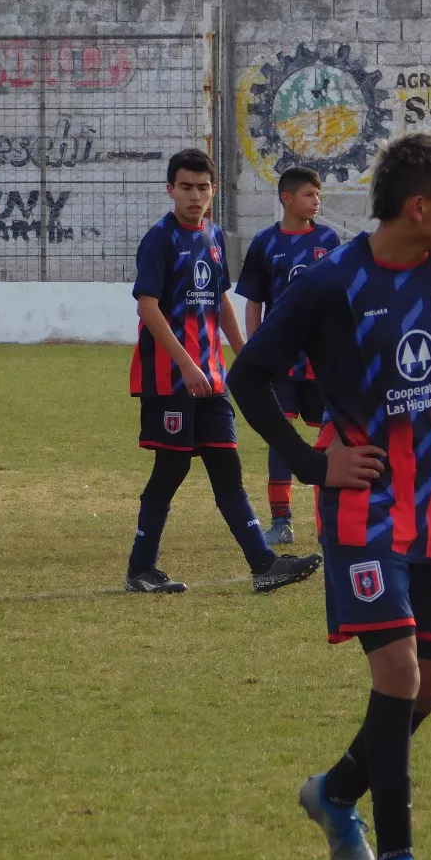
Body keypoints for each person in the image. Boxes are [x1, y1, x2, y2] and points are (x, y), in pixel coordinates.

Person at [228, 134, 431, 860]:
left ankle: (336, 792)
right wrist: (315, 466)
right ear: (420, 207)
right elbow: (250, 376)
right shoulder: (329, 283)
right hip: (363, 510)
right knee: (400, 672)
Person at [125, 148, 321, 593]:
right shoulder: (160, 239)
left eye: (203, 187)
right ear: (170, 189)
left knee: (227, 470)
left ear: (212, 191)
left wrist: (247, 357)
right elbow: (147, 308)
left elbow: (220, 304)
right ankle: (140, 569)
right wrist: (186, 364)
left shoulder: (213, 235)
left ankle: (263, 565)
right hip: (171, 380)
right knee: (170, 470)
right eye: (187, 187)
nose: (196, 196)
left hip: (211, 380)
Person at [235, 165, 341, 546]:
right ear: (288, 198)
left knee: (332, 437)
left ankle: (330, 518)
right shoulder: (265, 242)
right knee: (281, 436)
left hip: (322, 361)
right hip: (281, 360)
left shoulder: (328, 240)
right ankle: (281, 520)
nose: (317, 200)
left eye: (318, 194)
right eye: (310, 194)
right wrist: (255, 348)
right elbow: (253, 301)